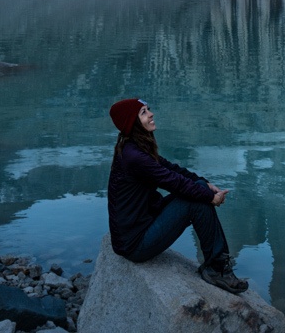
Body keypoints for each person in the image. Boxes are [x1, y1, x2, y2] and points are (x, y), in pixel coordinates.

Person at [107, 97, 249, 295]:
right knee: (197, 202)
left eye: (148, 109)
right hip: (135, 244)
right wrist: (210, 198)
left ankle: (216, 265)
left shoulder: (135, 147)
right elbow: (174, 182)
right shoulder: (135, 156)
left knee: (199, 188)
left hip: (145, 222)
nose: (151, 114)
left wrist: (204, 183)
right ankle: (217, 268)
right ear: (132, 122)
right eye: (144, 112)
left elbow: (172, 169)